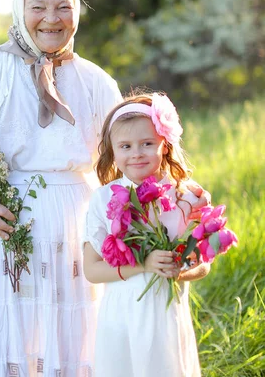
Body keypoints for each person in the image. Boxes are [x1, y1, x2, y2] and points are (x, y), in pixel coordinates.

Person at [0, 0, 209, 377]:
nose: (51, 18)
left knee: (74, 332)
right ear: (19, 8)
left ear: (76, 12)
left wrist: (181, 193)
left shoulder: (95, 80)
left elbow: (131, 158)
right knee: (11, 328)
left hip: (74, 222)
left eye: (63, 7)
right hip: (5, 221)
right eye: (38, 7)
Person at [83, 93, 211, 377]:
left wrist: (179, 268)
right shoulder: (103, 199)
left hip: (166, 315)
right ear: (113, 152)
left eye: (147, 144)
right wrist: (145, 264)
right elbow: (91, 269)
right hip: (121, 315)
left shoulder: (184, 195)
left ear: (164, 146)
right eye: (125, 146)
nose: (136, 153)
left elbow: (203, 263)